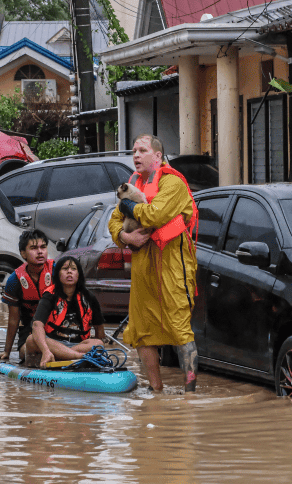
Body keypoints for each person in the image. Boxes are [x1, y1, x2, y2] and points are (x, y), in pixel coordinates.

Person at [107, 134, 199, 393]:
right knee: (142, 331)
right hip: (142, 268)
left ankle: (190, 394)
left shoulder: (173, 183)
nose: (135, 155)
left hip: (172, 266)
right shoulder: (133, 183)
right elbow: (113, 221)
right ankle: (156, 391)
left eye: (142, 150)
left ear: (157, 156)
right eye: (134, 151)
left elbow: (154, 215)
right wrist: (125, 236)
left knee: (181, 330)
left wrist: (127, 207)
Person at [0, 229, 54, 364]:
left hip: (56, 330)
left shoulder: (58, 271)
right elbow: (13, 319)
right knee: (26, 350)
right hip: (30, 333)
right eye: (34, 248)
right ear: (23, 253)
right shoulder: (14, 280)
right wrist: (7, 351)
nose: (40, 252)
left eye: (43, 247)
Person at [25, 256, 106, 367]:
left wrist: (98, 349)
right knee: (31, 340)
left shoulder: (89, 297)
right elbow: (37, 325)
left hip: (77, 345)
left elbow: (100, 332)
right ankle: (78, 357)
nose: (69, 272)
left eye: (73, 269)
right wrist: (45, 350)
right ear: (58, 274)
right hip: (53, 344)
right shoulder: (50, 295)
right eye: (65, 269)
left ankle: (63, 355)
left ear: (79, 274)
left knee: (98, 344)